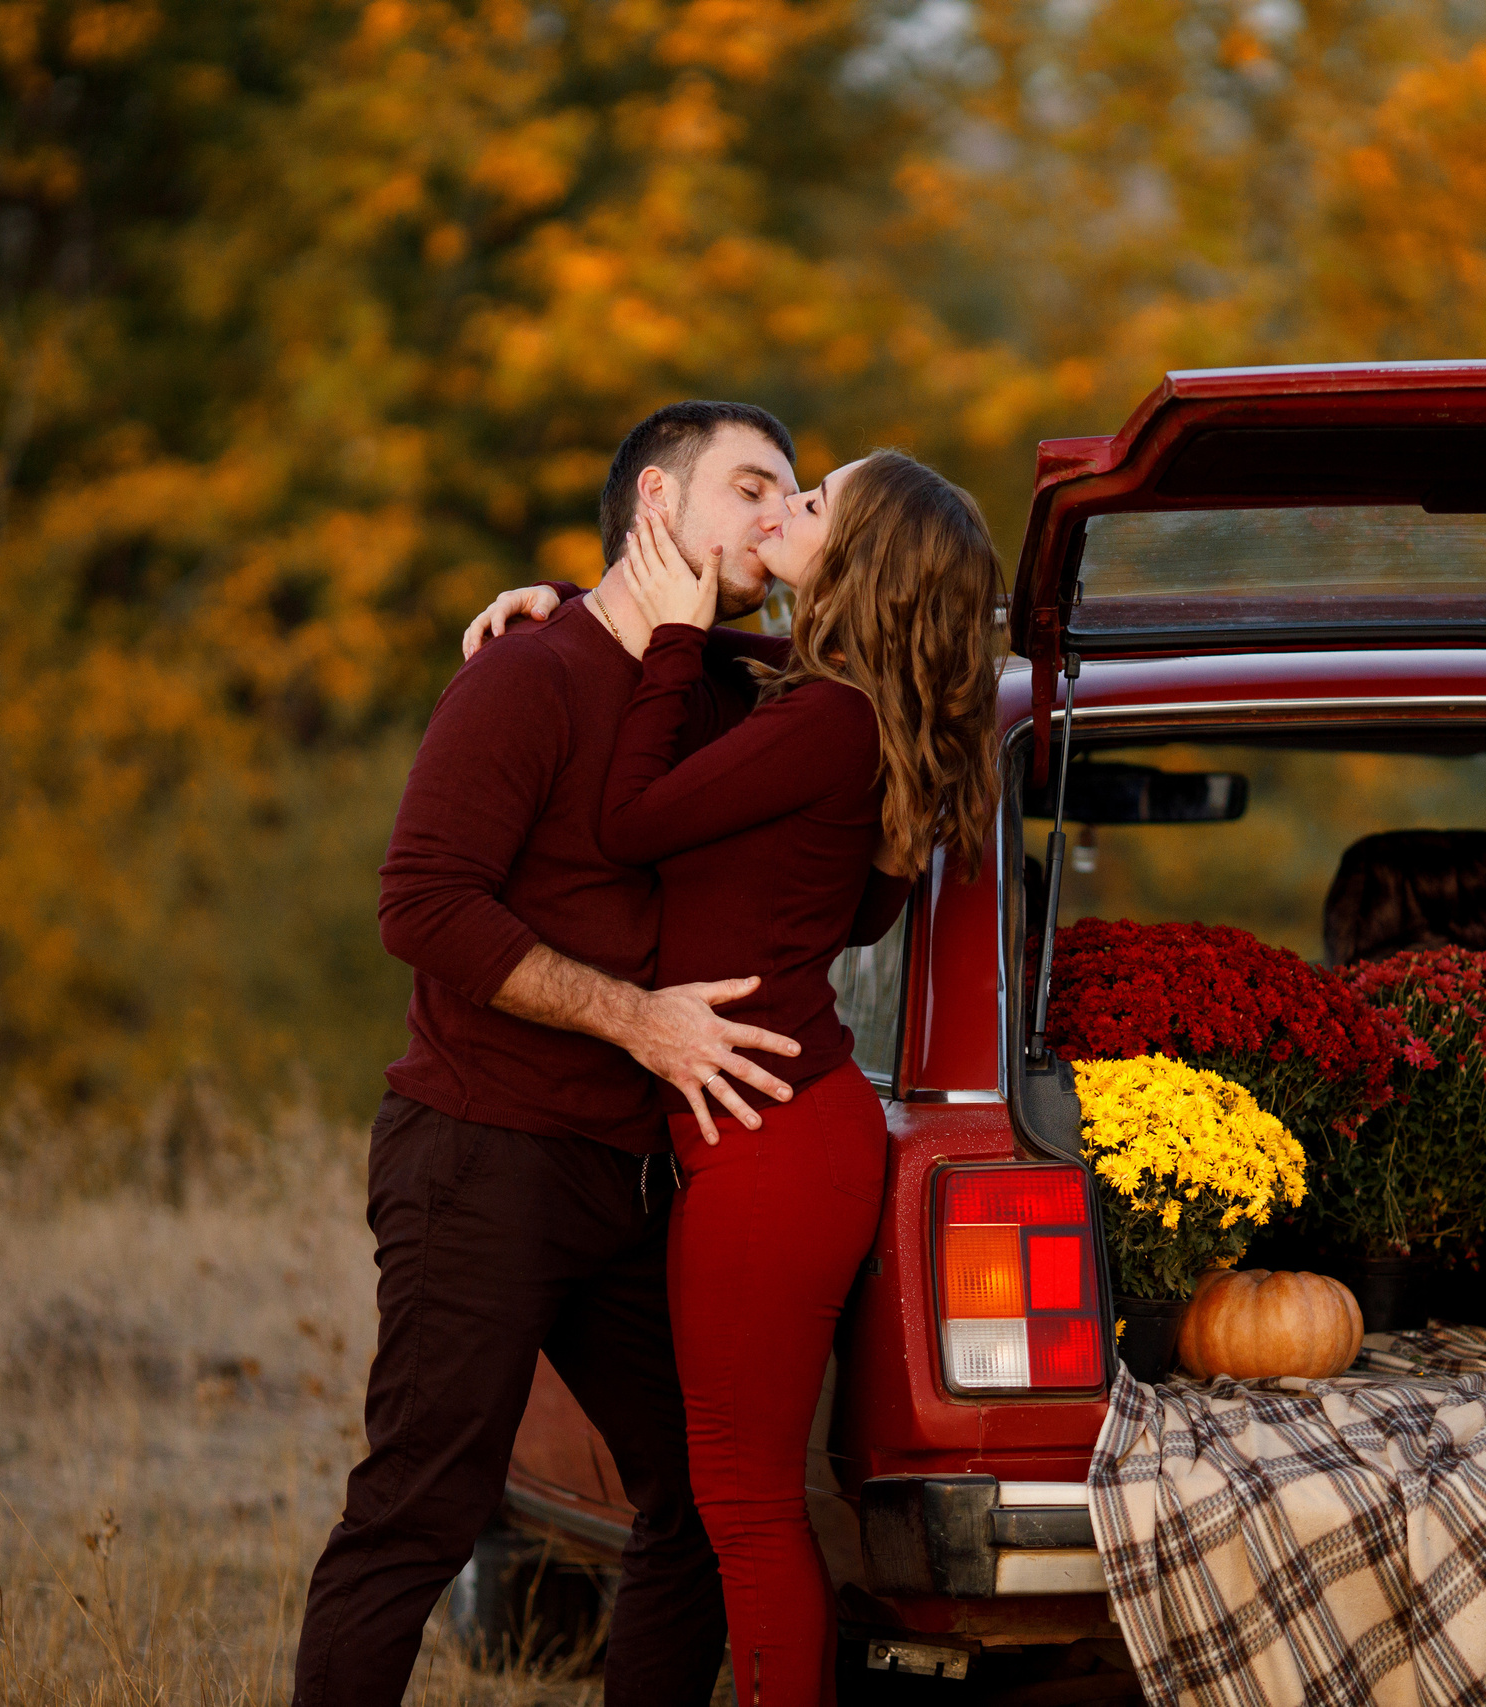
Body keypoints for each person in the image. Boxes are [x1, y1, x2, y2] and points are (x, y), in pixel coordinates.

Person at [294, 401, 903, 1707]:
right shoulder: (525, 675)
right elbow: (421, 905)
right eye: (751, 487)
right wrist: (637, 1018)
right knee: (419, 1508)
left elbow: (870, 677)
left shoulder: (725, 685)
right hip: (485, 1153)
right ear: (659, 505)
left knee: (695, 1497)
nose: (776, 516)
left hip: (636, 1175)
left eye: (793, 495)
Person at [590, 451, 1001, 1707]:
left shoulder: (828, 722)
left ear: (858, 560)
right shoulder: (854, 710)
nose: (783, 510)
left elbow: (628, 822)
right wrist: (587, 610)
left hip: (769, 1146)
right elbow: (863, 912)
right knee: (743, 1489)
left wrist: (670, 643)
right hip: (790, 1126)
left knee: (745, 1497)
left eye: (812, 503)